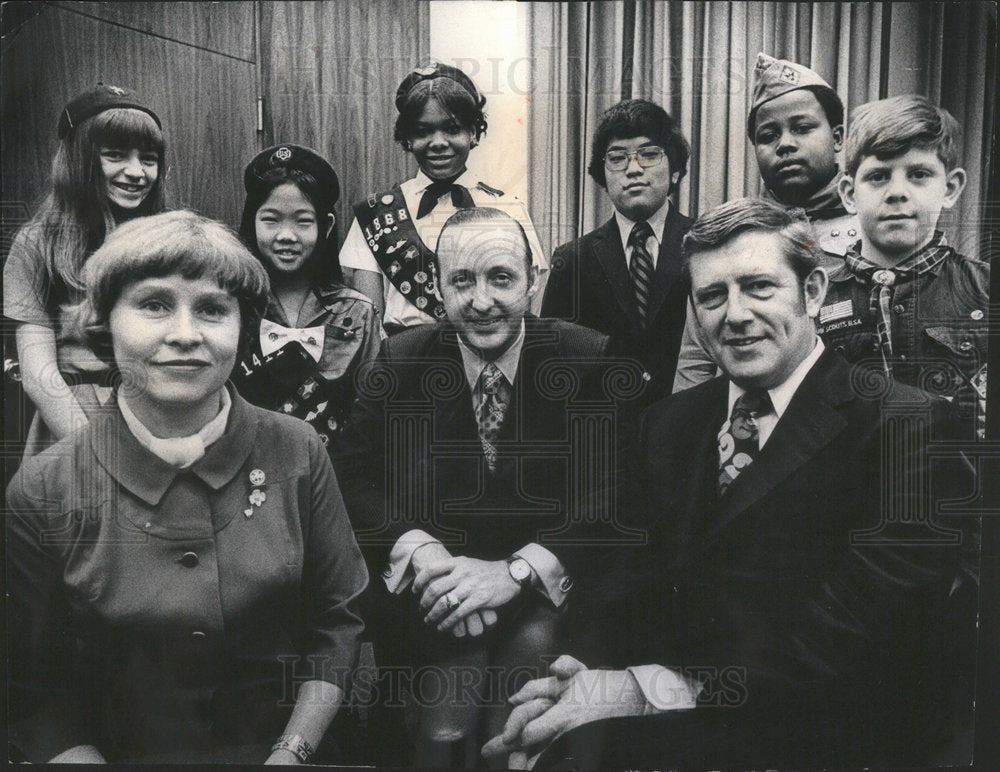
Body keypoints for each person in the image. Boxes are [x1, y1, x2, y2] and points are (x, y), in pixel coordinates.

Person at [483, 199, 973, 769]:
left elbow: (859, 634)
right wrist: (587, 677)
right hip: (672, 715)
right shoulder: (667, 422)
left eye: (759, 287)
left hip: (828, 730)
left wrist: (648, 690)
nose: (734, 314)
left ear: (812, 291)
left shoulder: (907, 424)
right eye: (712, 296)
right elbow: (622, 580)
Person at [6, 211, 368, 764]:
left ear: (243, 329)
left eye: (212, 309)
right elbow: (34, 689)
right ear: (104, 322)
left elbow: (336, 624)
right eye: (153, 304)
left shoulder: (298, 451)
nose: (184, 334)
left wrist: (292, 752)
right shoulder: (44, 487)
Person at [334, 207, 612, 767]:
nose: (481, 300)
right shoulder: (401, 359)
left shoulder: (586, 358)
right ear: (437, 287)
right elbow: (348, 474)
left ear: (533, 281)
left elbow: (611, 490)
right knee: (443, 724)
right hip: (435, 594)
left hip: (548, 589)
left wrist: (513, 573)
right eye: (462, 280)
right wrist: (425, 554)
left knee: (518, 712)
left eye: (501, 278)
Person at [672, 53, 860, 391]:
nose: (785, 144)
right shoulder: (726, 239)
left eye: (802, 128)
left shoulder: (878, 225)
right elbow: (696, 361)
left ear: (836, 138)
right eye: (768, 135)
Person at [3, 83, 168, 457]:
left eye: (149, 158)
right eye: (114, 155)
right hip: (75, 423)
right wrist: (98, 454)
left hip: (160, 416)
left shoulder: (170, 241)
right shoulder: (37, 245)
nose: (136, 172)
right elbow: (39, 376)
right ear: (79, 160)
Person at [339, 61, 547, 334]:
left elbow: (526, 308)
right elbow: (369, 323)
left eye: (452, 128)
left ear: (473, 133)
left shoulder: (509, 208)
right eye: (423, 131)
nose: (438, 142)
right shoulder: (375, 215)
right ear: (408, 138)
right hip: (404, 362)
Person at [829, 95, 989, 440]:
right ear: (848, 193)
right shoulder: (812, 300)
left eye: (918, 174)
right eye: (878, 176)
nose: (897, 192)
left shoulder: (987, 292)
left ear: (950, 188)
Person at [541, 99, 692, 409]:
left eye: (649, 155)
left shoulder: (705, 246)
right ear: (603, 177)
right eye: (617, 158)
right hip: (600, 437)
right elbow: (551, 364)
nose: (633, 169)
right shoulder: (572, 260)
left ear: (675, 170)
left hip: (689, 427)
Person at [232, 144, 382, 446]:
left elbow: (371, 410)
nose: (286, 235)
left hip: (334, 472)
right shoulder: (232, 306)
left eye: (303, 221)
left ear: (325, 226)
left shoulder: (358, 312)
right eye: (271, 220)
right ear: (252, 222)